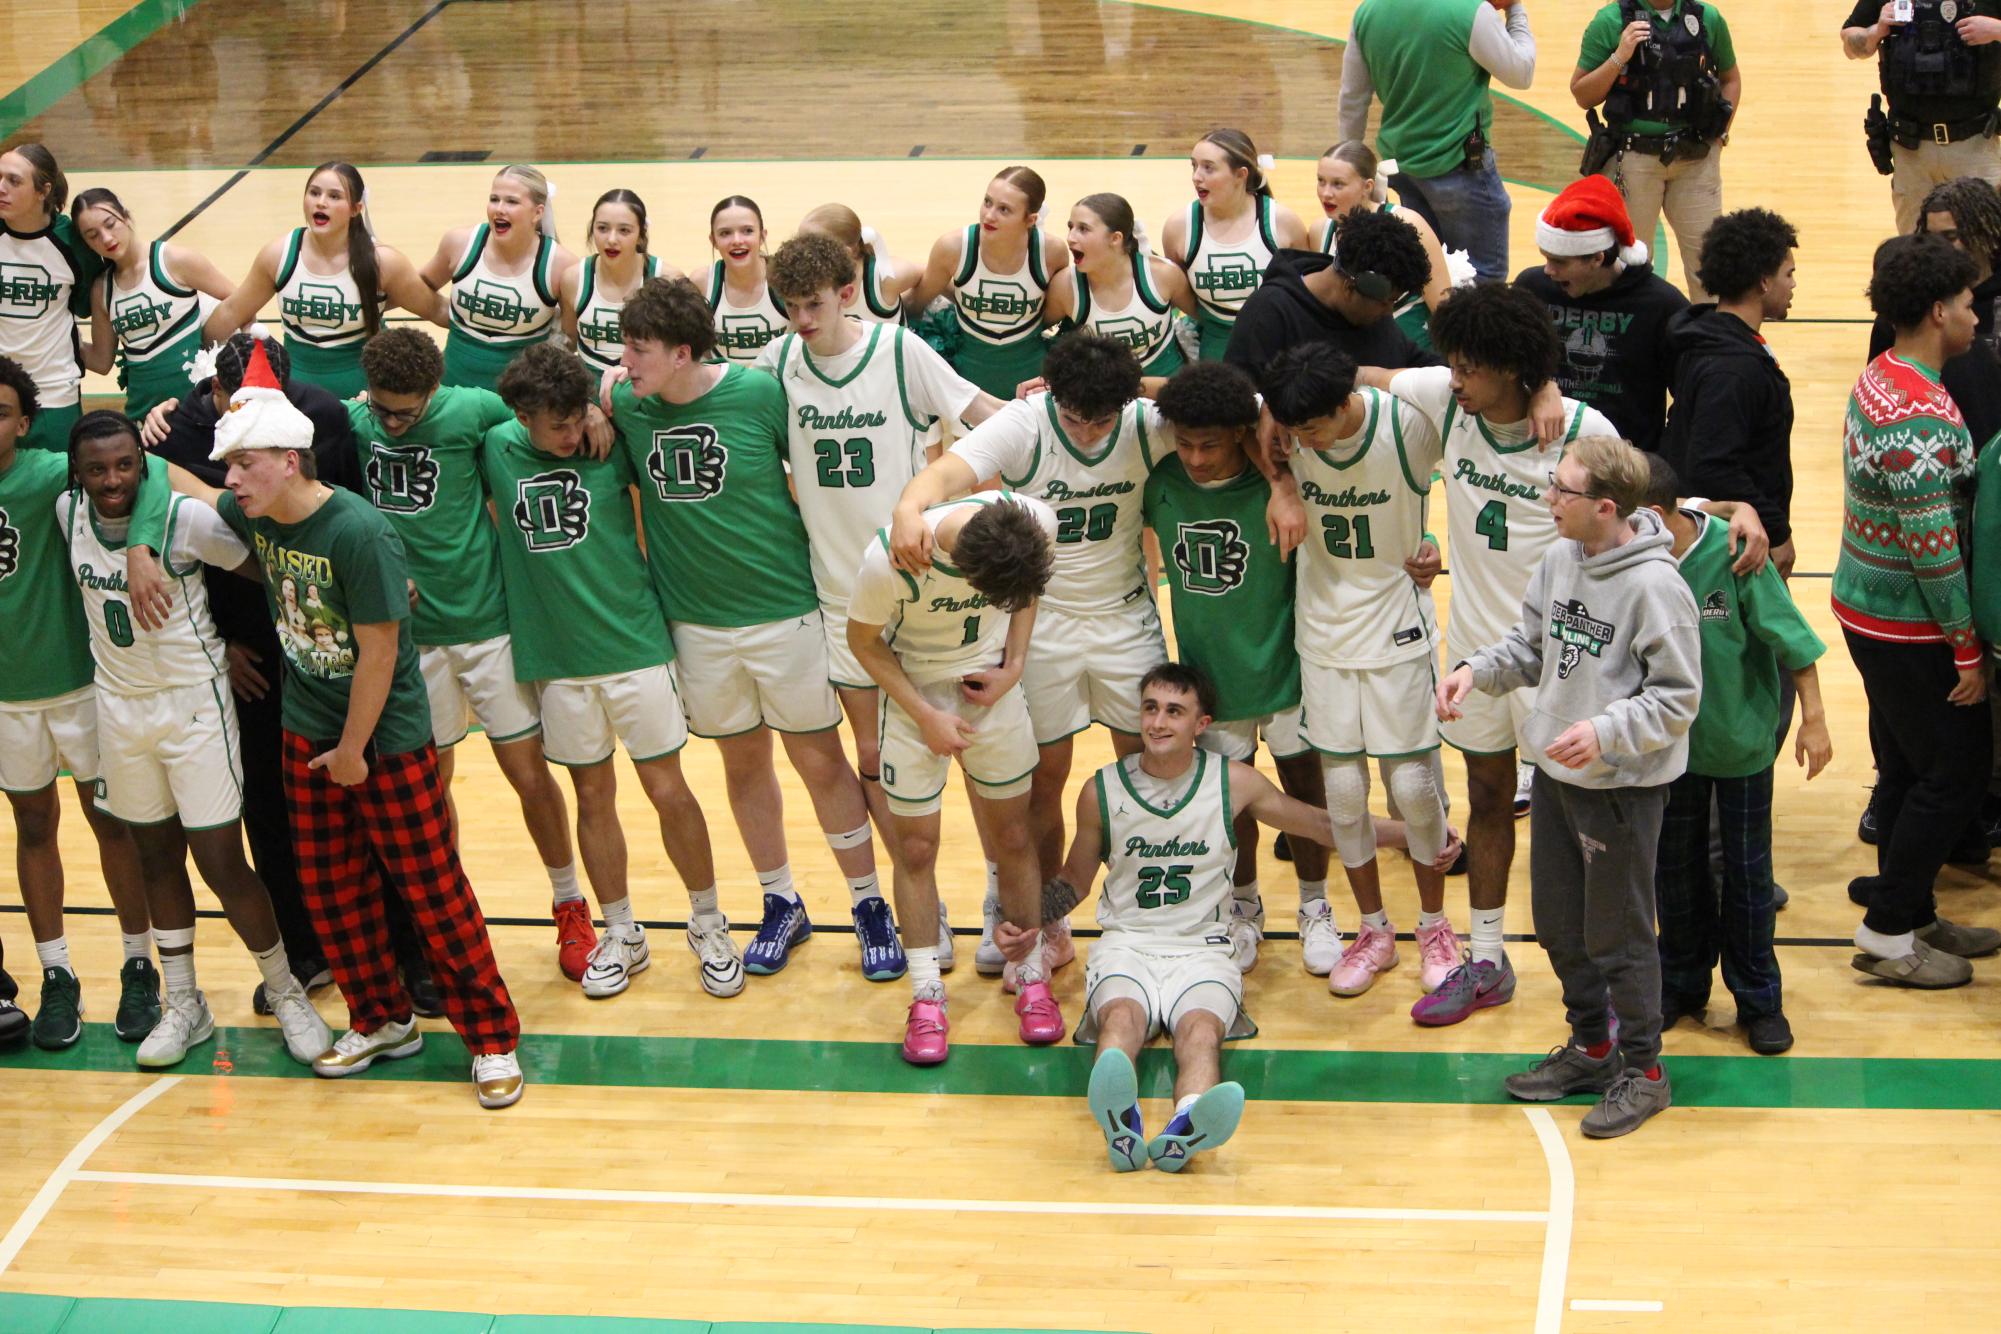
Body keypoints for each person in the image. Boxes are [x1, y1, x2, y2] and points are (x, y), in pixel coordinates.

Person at [147, 341, 524, 1109]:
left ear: (288, 460)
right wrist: (148, 429)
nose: (231, 479)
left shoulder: (357, 532)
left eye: (244, 465)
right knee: (331, 890)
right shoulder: (258, 514)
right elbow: (177, 481)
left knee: (431, 890)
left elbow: (383, 653)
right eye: (229, 465)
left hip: (379, 740)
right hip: (302, 732)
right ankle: (381, 1019)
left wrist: (353, 749)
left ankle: (489, 1036)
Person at [1063, 665, 1462, 1173]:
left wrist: (1414, 832)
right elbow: (1074, 880)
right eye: (1150, 708)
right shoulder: (1102, 789)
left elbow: (1319, 825)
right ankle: (1120, 1126)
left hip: (1204, 948)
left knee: (1201, 1032)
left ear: (1200, 723)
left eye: (1173, 711)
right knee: (1121, 1022)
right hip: (1128, 942)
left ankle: (1184, 1125)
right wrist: (1029, 919)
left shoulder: (1233, 782)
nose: (1158, 722)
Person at [612, 276, 885, 979]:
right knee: (743, 765)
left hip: (784, 612)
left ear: (680, 353)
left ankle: (868, 903)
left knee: (818, 761)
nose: (623, 360)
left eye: (637, 349)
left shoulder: (759, 394)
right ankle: (779, 900)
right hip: (696, 628)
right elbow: (577, 393)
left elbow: (824, 473)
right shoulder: (624, 402)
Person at [1364, 283, 1619, 1025]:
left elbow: (1643, 520)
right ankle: (1484, 957)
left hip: (1565, 661)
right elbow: (1363, 380)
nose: (1453, 378)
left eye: (1470, 367)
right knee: (1484, 799)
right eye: (1451, 363)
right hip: (1477, 650)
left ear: (1513, 368)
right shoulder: (1449, 402)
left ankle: (1601, 976)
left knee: (1581, 823)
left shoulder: (1580, 429)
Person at [756, 232, 1009, 975]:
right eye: (789, 307)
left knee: (967, 755)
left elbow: (986, 417)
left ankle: (998, 901)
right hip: (843, 599)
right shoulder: (775, 364)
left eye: (812, 304)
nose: (801, 320)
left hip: (923, 593)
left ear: (846, 293)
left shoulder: (899, 354)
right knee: (874, 759)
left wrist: (1040, 417)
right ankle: (914, 914)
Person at [1440, 435, 1701, 1139]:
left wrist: (1605, 731)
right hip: (1557, 775)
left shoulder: (1655, 587)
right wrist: (1475, 670)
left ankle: (1644, 1072)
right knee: (1559, 925)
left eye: (1561, 491)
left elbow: (1677, 699)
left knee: (1616, 935)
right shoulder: (1560, 558)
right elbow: (1529, 647)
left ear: (1606, 507)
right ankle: (1591, 1047)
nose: (1546, 500)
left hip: (1618, 786)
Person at [59, 411, 332, 1068]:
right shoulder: (67, 510)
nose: (112, 478)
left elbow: (266, 569)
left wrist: (254, 640)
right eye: (97, 468)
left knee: (219, 861)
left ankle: (285, 988)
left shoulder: (184, 519)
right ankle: (185, 1001)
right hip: (120, 709)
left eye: (125, 464)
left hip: (193, 706)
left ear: (142, 465)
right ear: (78, 474)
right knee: (155, 859)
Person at [486, 344, 730, 999]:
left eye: (575, 419)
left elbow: (644, 395)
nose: (570, 434)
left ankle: (708, 922)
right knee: (593, 798)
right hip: (557, 662)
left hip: (634, 646)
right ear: (521, 416)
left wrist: (604, 402)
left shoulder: (607, 440)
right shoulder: (493, 448)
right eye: (555, 424)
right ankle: (620, 930)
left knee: (668, 789)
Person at [346, 328, 589, 978]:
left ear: (433, 392)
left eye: (406, 411)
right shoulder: (352, 419)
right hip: (407, 641)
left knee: (528, 775)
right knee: (429, 787)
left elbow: (546, 408)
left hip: (486, 627)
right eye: (381, 409)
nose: (391, 423)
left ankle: (569, 903)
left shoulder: (470, 409)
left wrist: (596, 413)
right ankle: (441, 916)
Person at [131, 334, 352, 1011]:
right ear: (219, 396)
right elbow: (165, 505)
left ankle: (394, 950)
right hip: (246, 650)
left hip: (318, 635)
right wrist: (220, 644)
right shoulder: (181, 430)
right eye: (243, 404)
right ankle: (302, 951)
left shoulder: (324, 418)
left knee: (349, 798)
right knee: (267, 804)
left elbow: (346, 507)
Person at [1260, 344, 1460, 1000]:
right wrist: (1280, 481)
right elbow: (1241, 421)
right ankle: (1372, 929)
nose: (1300, 443)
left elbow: (1463, 398)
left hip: (1396, 626)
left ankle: (1434, 925)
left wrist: (1434, 549)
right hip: (1321, 630)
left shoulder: (1404, 426)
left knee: (1411, 787)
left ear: (1344, 404)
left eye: (1310, 431)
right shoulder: (1285, 427)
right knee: (1342, 793)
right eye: (1291, 433)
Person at [1837, 233, 1999, 988]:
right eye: (1969, 304)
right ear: (1938, 311)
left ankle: (1915, 910)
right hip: (1908, 621)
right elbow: (1933, 548)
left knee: (1905, 767)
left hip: (1865, 602)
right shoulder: (1920, 418)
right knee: (1955, 773)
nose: (1977, 316)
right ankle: (1889, 930)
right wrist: (1965, 647)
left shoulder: (1882, 375)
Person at [847, 490, 1059, 1061]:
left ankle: (1031, 973)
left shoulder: (1033, 519)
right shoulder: (891, 559)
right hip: (915, 696)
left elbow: (1026, 595)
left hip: (990, 690)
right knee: (915, 850)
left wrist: (1013, 667)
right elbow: (861, 642)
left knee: (1014, 836)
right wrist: (926, 715)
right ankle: (925, 995)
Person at [1143, 361, 1330, 973]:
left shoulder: (1284, 481)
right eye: (1187, 443)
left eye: (1211, 444)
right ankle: (1243, 907)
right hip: (1210, 678)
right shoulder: (1159, 480)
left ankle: (1315, 906)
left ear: (1241, 436)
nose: (1196, 457)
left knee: (1305, 793)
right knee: (1231, 805)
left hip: (1286, 669)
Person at [1641, 455, 1831, 1056]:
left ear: (1652, 514)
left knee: (1748, 879)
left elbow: (1790, 636)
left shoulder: (1733, 552)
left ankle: (1758, 1000)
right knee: (1677, 873)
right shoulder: (1630, 558)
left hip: (1740, 744)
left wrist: (1815, 720)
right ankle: (1681, 985)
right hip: (1671, 750)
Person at [0, 356, 154, 1049]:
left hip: (80, 685)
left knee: (112, 825)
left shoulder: (49, 478)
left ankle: (139, 963)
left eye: (1, 411)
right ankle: (55, 975)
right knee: (34, 829)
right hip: (7, 702)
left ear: (25, 423)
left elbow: (138, 478)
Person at [204, 162, 446, 400]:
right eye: (314, 193)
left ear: (356, 208)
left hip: (363, 395)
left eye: (334, 196)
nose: (321, 202)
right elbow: (232, 310)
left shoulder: (383, 262)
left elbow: (435, 309)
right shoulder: (279, 254)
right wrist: (197, 350)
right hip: (292, 392)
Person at [1338, 0, 1538, 282]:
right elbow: (1522, 72)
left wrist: (1350, 165)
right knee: (1481, 277)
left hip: (1402, 167)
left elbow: (1352, 98)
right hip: (1460, 167)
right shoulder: (1470, 11)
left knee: (1423, 273)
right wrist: (1515, 8)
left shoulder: (1368, 11)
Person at [1572, 0, 1741, 303]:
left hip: (1695, 160)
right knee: (1629, 267)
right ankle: (1635, 346)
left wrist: (1721, 135)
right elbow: (1583, 94)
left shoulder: (1707, 18)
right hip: (1634, 162)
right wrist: (1619, 56)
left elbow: (1731, 78)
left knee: (1711, 268)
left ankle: (1712, 346)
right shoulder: (1611, 20)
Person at [1660, 208, 1800, 573]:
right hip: (1728, 545)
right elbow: (1713, 465)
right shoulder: (1732, 368)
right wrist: (1776, 529)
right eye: (1789, 274)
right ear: (1763, 282)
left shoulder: (1709, 335)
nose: (1793, 285)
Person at [1515, 175, 1689, 454]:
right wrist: (1540, 385)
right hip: (1543, 454)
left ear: (1597, 258)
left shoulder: (1663, 306)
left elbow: (1689, 398)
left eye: (1559, 262)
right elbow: (1507, 361)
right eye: (1545, 257)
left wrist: (1662, 459)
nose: (1548, 270)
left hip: (1625, 465)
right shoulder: (1532, 289)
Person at [70, 187, 236, 420]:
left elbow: (238, 302)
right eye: (92, 235)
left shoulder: (174, 261)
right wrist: (61, 335)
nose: (106, 238)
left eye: (110, 224)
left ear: (125, 215)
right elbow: (101, 360)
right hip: (143, 418)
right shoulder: (102, 289)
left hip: (198, 411)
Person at [1842, 2, 2001, 234]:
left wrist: (1996, 29)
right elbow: (1850, 44)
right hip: (1911, 154)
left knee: (1986, 256)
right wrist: (1876, 31)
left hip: (1976, 147)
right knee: (1915, 256)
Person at [911, 167, 1070, 397]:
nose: (989, 215)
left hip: (1030, 381)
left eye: (1004, 209)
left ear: (1031, 219)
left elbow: (1053, 316)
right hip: (967, 379)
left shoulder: (1051, 253)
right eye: (987, 202)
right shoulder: (954, 248)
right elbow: (916, 303)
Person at [1223, 207, 1438, 377]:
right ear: (1349, 287)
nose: (1388, 311)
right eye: (1386, 301)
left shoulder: (1372, 313)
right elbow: (1238, 398)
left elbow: (1414, 363)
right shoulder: (1269, 313)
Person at [419, 165, 576, 392]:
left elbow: (570, 337)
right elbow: (417, 287)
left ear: (538, 212)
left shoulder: (562, 266)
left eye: (512, 202)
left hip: (520, 401)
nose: (499, 209)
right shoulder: (460, 243)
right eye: (494, 199)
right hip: (451, 392)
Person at [1161, 130, 1310, 362]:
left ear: (1241, 174)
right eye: (1194, 166)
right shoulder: (1179, 227)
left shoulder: (1283, 222)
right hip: (1213, 347)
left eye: (1208, 168)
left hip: (1278, 345)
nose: (1196, 177)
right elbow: (1178, 293)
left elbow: (1304, 291)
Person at [0, 144, 102, 451]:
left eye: (14, 181)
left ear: (43, 190)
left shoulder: (73, 243)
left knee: (62, 492)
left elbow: (85, 303)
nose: (1, 188)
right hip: (1, 390)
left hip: (55, 393)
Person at [1312, 141, 1456, 351]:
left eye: (1337, 184)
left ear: (1367, 186)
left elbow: (1444, 306)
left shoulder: (1407, 223)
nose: (1325, 193)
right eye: (1321, 181)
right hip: (1352, 354)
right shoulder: (1319, 232)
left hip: (1412, 353)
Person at [1045, 193, 1197, 379]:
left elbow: (1202, 317)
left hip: (1167, 387)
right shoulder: (1065, 286)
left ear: (1115, 238)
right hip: (1103, 394)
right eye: (1071, 227)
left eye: (1083, 229)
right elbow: (1036, 331)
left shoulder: (1163, 275)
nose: (1070, 237)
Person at [560, 188, 679, 376]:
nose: (611, 239)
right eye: (602, 228)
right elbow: (568, 339)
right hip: (588, 392)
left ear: (641, 234)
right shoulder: (573, 278)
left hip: (648, 391)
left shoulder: (668, 279)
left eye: (624, 230)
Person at [799, 203, 922, 325]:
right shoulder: (798, 282)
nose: (798, 252)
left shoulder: (886, 277)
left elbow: (927, 276)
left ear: (846, 252)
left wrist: (913, 306)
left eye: (810, 247)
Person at [704, 196, 789, 366]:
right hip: (726, 389)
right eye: (725, 233)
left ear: (762, 236)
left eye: (747, 231)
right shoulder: (702, 282)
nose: (737, 240)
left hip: (780, 387)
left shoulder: (786, 276)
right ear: (713, 240)